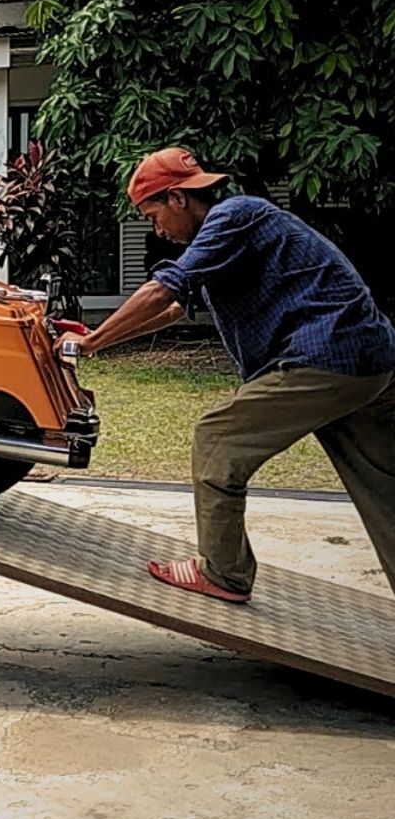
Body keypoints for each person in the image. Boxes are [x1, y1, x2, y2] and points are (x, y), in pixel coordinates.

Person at [59, 146, 395, 603]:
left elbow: (164, 289)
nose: (154, 228)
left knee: (217, 439)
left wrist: (91, 343)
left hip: (325, 355)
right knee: (383, 489)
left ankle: (224, 573)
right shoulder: (229, 233)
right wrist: (101, 335)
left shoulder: (235, 214)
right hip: (368, 362)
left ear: (178, 198)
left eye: (151, 214)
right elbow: (177, 309)